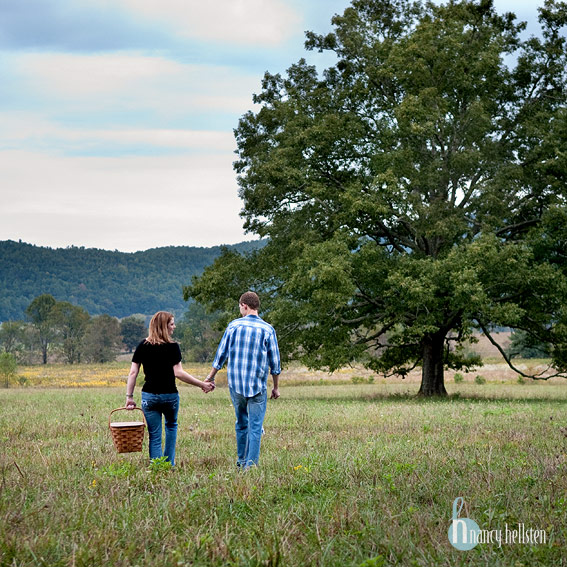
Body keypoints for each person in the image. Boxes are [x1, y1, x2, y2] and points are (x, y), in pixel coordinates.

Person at [125, 311, 214, 466]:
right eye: (171, 324)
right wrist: (202, 384)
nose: (174, 327)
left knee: (155, 435)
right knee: (171, 427)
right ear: (164, 327)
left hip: (149, 396)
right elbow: (178, 373)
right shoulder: (173, 347)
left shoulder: (142, 346)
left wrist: (129, 397)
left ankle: (158, 467)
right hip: (170, 396)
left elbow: (133, 373)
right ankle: (169, 464)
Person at [206, 291, 281, 470]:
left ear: (244, 306)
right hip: (257, 386)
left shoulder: (233, 326)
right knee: (255, 427)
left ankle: (241, 462)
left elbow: (220, 356)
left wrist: (210, 377)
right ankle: (250, 466)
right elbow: (275, 363)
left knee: (241, 423)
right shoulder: (268, 329)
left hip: (236, 385)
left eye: (240, 307)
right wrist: (276, 387)